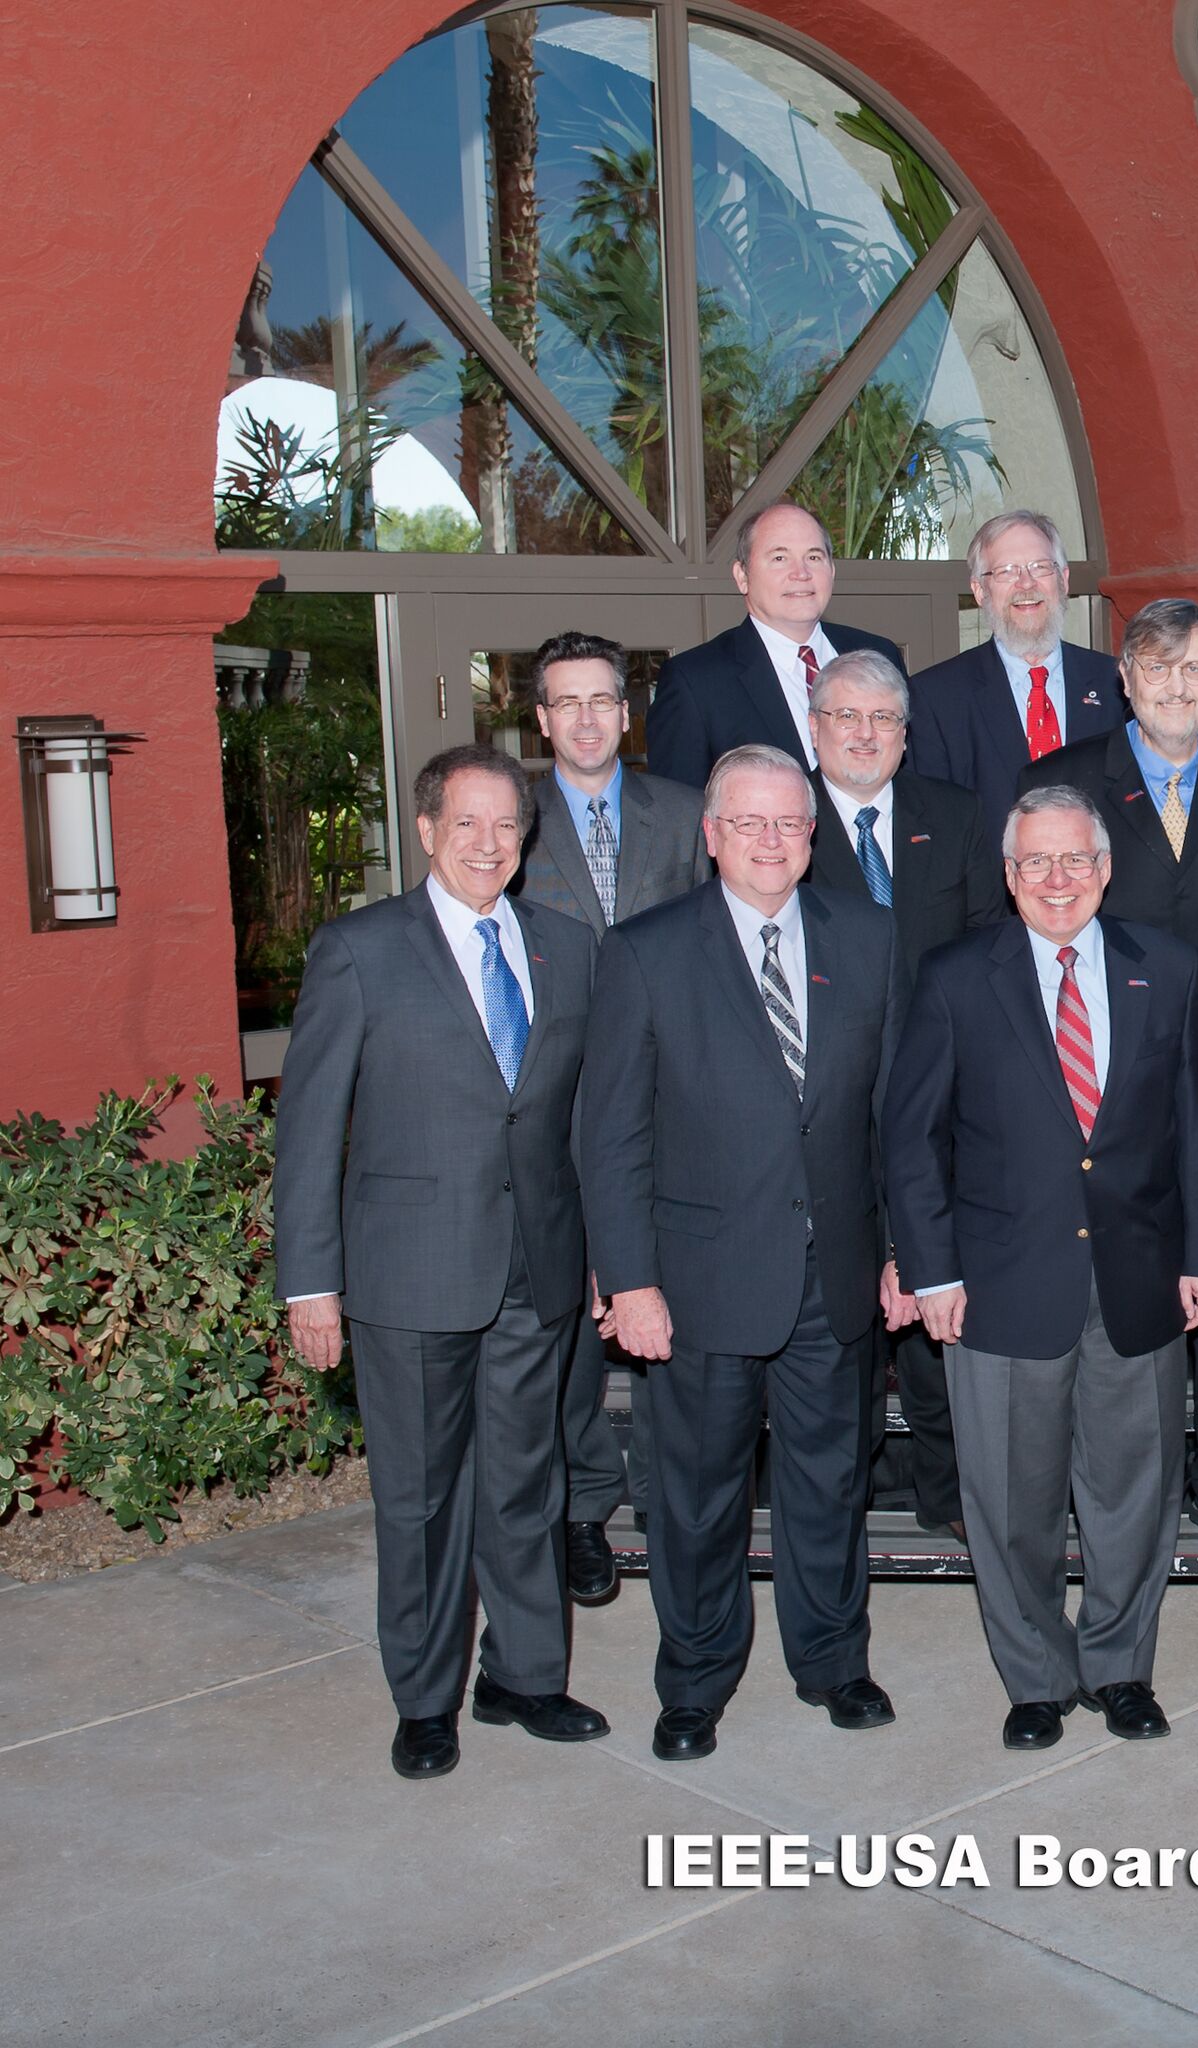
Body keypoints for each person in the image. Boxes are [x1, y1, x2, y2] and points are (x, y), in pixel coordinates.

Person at [275, 744, 605, 1780]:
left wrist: (605, 1254)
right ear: (426, 831)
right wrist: (310, 1282)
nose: (488, 844)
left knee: (527, 1485)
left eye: (507, 824)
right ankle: (425, 1700)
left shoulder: (566, 947)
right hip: (408, 1273)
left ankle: (525, 1676)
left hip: (536, 1268)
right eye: (466, 822)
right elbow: (309, 1127)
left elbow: (582, 1121)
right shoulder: (360, 949)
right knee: (419, 1500)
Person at [579, 744, 905, 1765]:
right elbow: (611, 1134)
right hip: (698, 1283)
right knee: (696, 1498)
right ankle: (694, 1682)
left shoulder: (869, 936)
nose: (771, 840)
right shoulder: (646, 950)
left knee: (830, 1485)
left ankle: (833, 1662)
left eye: (789, 823)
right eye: (749, 822)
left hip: (835, 1274)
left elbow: (895, 1116)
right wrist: (630, 1280)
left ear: (812, 835)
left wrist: (903, 1250)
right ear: (711, 834)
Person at [883, 785, 1198, 1750]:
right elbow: (912, 1139)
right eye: (1036, 861)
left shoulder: (1167, 966)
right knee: (1009, 1502)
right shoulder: (956, 976)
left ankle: (1121, 1668)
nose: (1057, 878)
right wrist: (931, 1271)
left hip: (1139, 1279)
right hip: (998, 1287)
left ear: (1106, 869)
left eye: (1076, 858)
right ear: (1008, 875)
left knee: (1135, 1496)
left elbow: (1197, 1125)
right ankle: (1033, 1678)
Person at [1020, 597, 1198, 1548]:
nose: (1175, 686)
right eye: (1156, 667)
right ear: (1124, 679)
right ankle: (1104, 1476)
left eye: (1194, 668)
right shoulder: (1062, 781)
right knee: (1115, 1262)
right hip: (1105, 1065)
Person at [508, 631, 707, 1605]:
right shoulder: (509, 819)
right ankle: (583, 1507)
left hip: (670, 1099)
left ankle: (675, 1500)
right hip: (551, 1102)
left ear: (626, 714)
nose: (586, 718)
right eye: (566, 702)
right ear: (541, 719)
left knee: (665, 1299)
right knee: (567, 1324)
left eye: (602, 700)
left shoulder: (686, 813)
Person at [804, 647, 1006, 1543]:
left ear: (905, 733)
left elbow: (989, 946)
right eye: (845, 717)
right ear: (815, 728)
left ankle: (947, 1488)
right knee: (843, 1311)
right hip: (824, 1101)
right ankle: (839, 1493)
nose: (864, 734)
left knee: (934, 1290)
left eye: (882, 718)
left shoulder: (954, 815)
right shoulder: (782, 820)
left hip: (942, 1097)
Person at [645, 501, 906, 790]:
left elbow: (909, 784)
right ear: (742, 576)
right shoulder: (695, 682)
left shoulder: (880, 654)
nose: (801, 573)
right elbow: (676, 809)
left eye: (814, 557)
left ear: (832, 571)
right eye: (780, 558)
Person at [906, 510, 1123, 842]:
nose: (1026, 583)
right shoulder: (935, 697)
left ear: (1063, 580)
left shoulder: (1117, 684)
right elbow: (933, 825)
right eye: (1006, 571)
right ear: (980, 590)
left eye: (1040, 567)